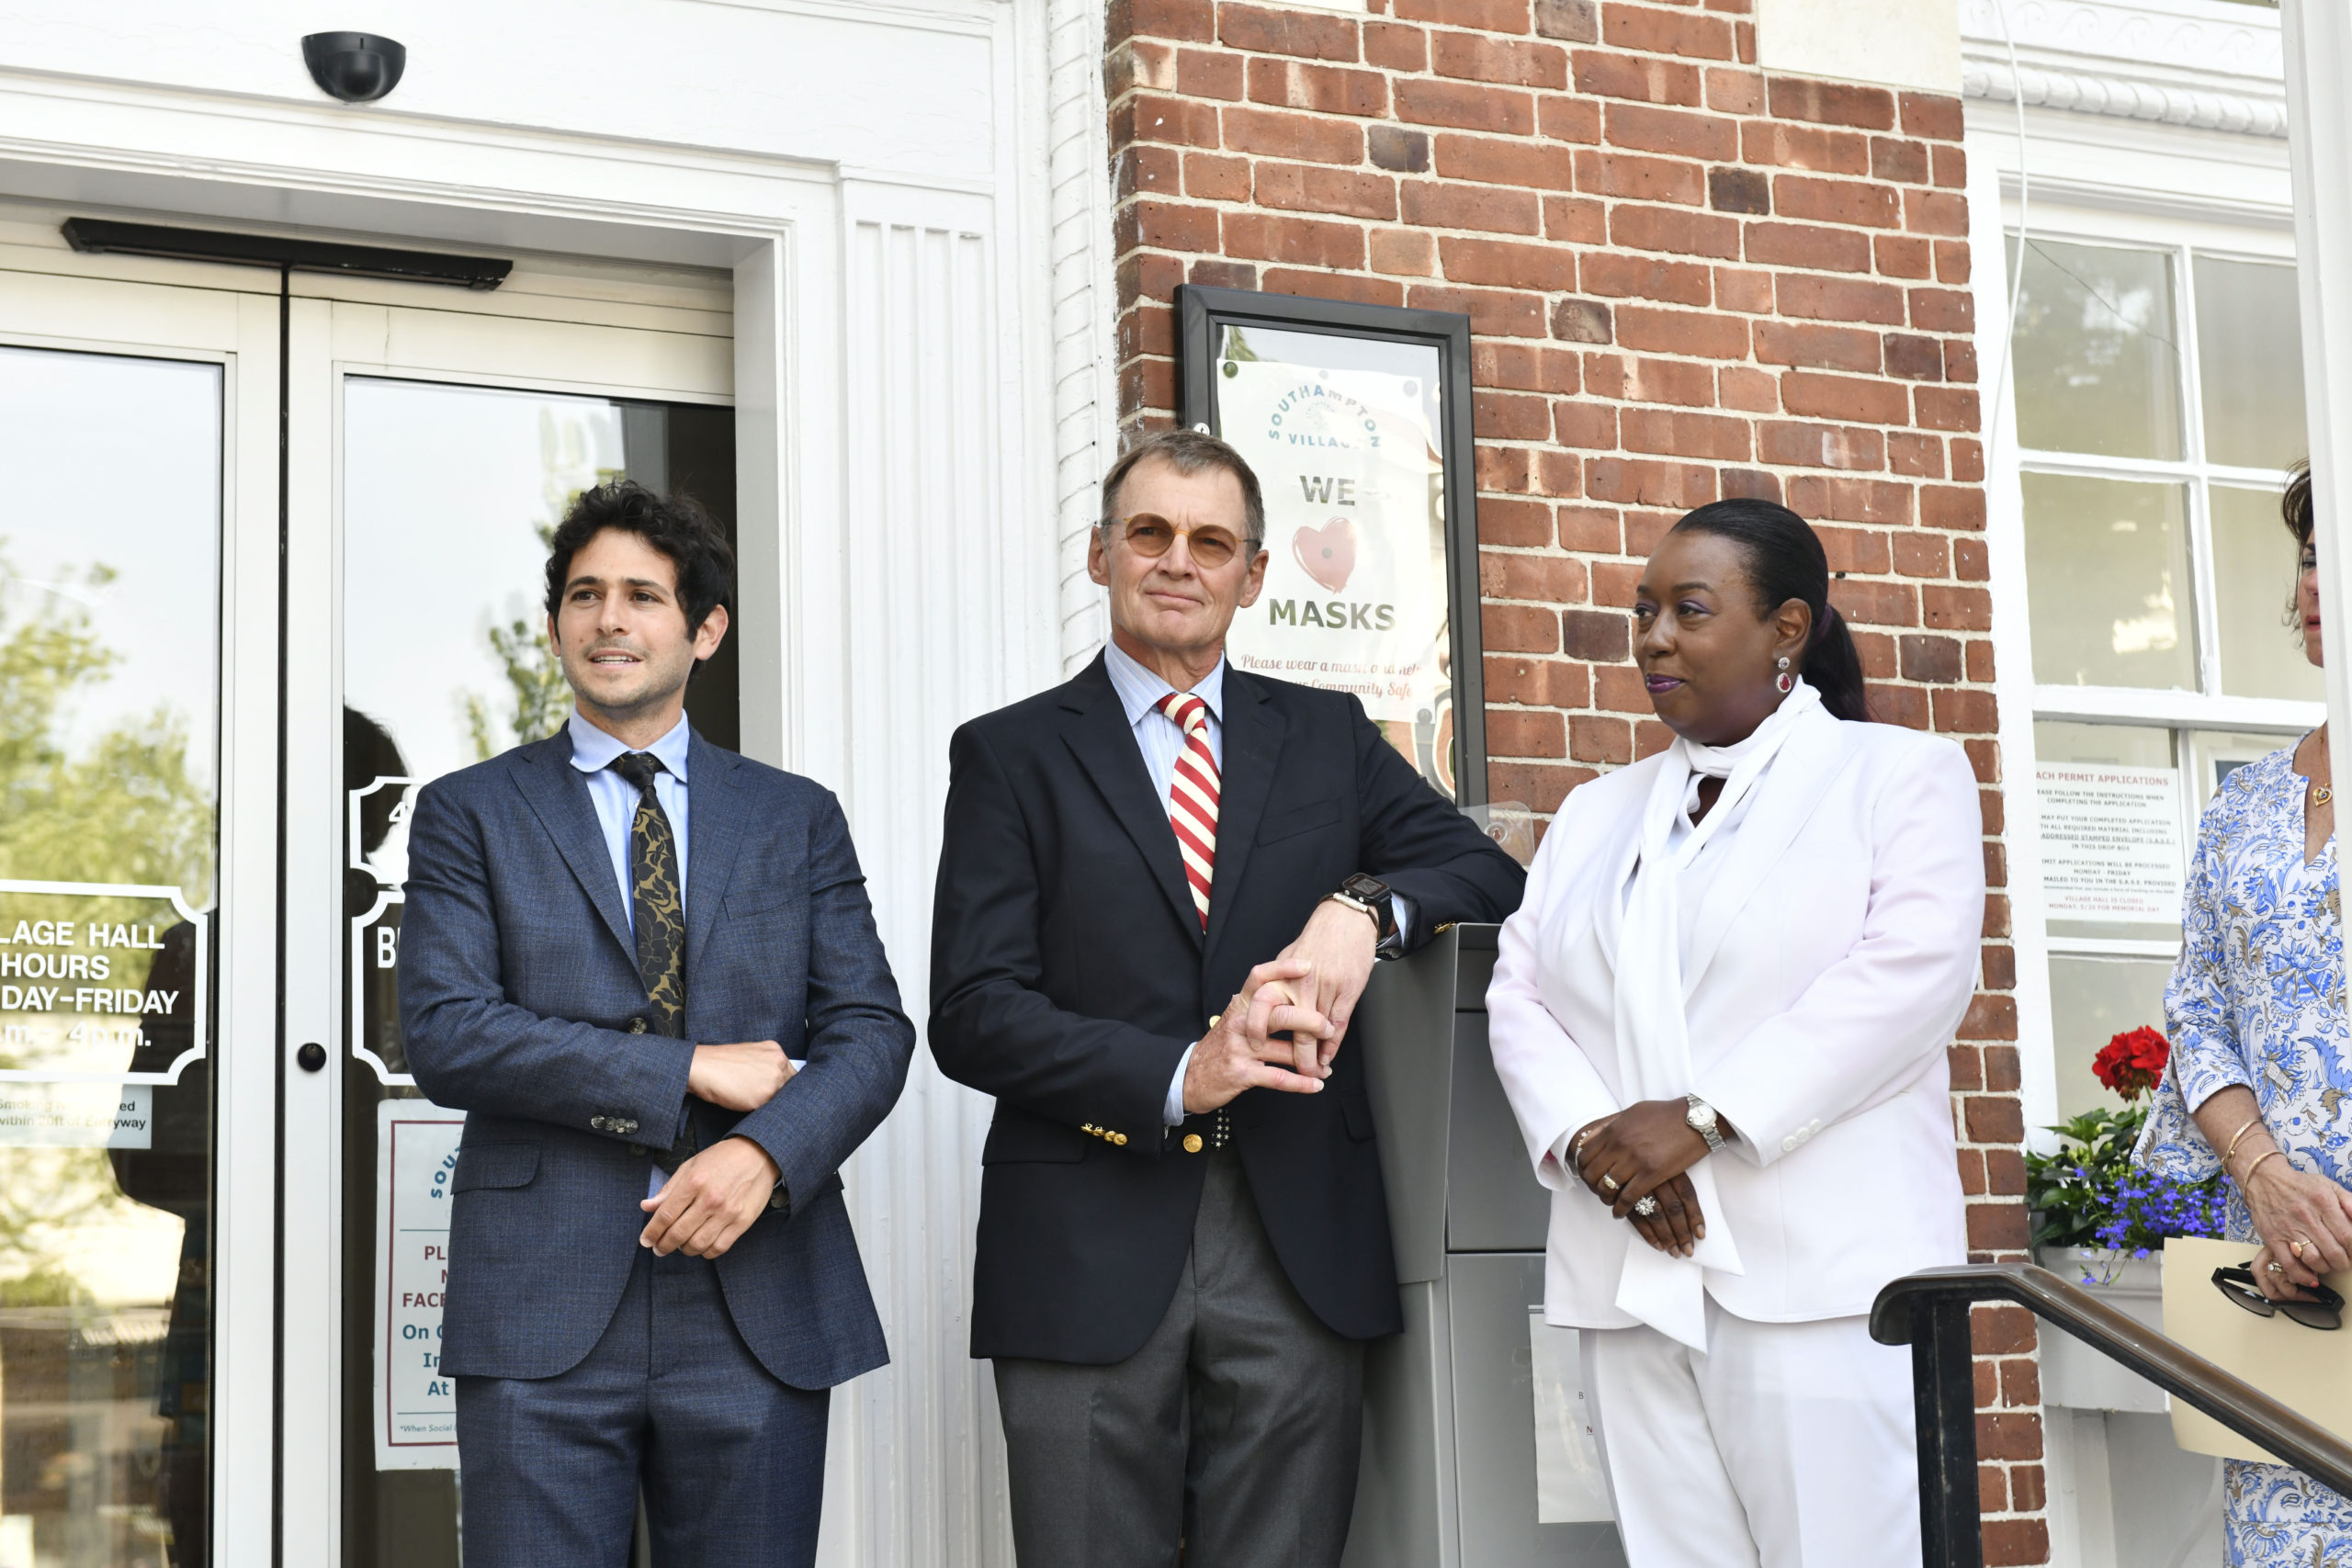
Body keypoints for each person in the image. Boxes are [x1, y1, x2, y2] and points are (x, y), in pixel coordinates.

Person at [928, 429, 1524, 1567]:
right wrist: (1174, 1076)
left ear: (1253, 577)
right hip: (1084, 1238)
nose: (1177, 562)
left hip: (1296, 1235)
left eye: (1211, 542)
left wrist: (1360, 909)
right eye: (1148, 533)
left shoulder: (1328, 737)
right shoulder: (1008, 757)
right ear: (1099, 554)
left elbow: (1487, 871)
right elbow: (971, 1009)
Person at [398, 481, 913, 1568]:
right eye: (583, 596)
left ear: (705, 628)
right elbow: (447, 1031)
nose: (608, 621)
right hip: (542, 1304)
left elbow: (873, 1030)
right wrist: (689, 1072)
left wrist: (765, 1157)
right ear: (554, 627)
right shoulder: (468, 811)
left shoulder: (794, 816)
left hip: (755, 1297)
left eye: (642, 595)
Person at [1486, 497, 1984, 1567]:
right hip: (1626, 1278)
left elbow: (1909, 980)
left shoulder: (1898, 778)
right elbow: (1517, 991)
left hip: (1818, 1287)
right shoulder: (1593, 813)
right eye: (1643, 610)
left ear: (1787, 630)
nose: (1655, 636)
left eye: (1690, 609)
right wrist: (1595, 1145)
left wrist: (1704, 1121)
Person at [2136, 464, 2352, 1564]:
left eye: (2339, 552)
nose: (2314, 580)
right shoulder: (2242, 805)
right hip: (2283, 1294)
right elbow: (2198, 1012)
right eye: (2308, 553)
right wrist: (2267, 1186)